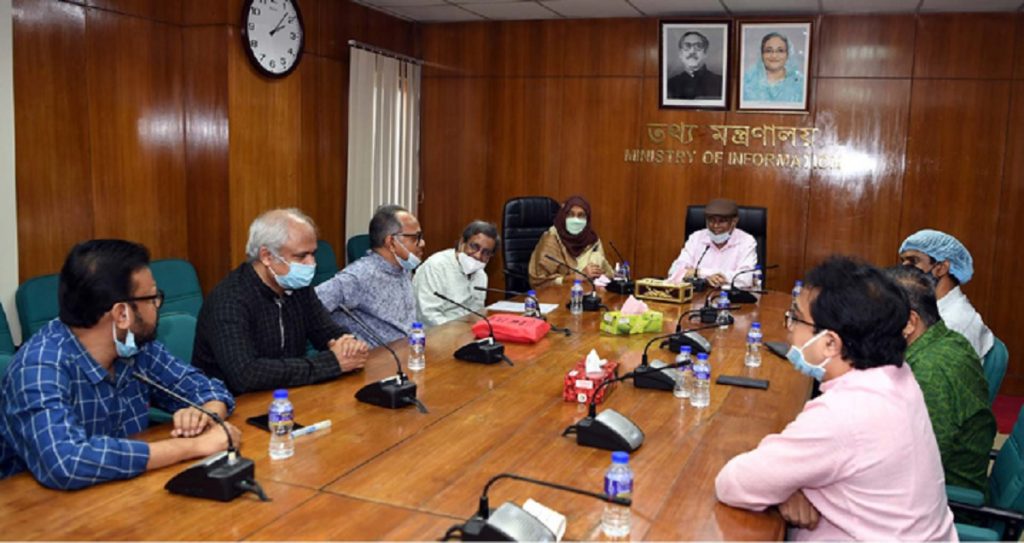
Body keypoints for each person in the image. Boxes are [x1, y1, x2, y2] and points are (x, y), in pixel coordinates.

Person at [715, 257, 956, 540]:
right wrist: (789, 487)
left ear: (830, 342)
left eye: (795, 317)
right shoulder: (898, 376)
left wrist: (782, 487)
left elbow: (733, 484)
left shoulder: (842, 415)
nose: (789, 328)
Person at [0, 240, 238, 489]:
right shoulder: (38, 369)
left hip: (123, 491)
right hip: (42, 506)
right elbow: (66, 461)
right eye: (152, 298)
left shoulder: (134, 347)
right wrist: (193, 447)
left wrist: (206, 414)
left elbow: (208, 388)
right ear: (122, 314)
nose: (157, 306)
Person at [193, 208, 368, 395]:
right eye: (301, 256)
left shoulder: (299, 288)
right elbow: (246, 374)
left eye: (313, 254)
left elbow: (326, 331)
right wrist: (331, 363)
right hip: (232, 403)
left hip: (289, 394)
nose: (311, 264)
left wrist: (349, 345)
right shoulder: (228, 300)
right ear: (267, 256)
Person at [886, 266, 995, 492]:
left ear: (910, 323)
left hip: (946, 498)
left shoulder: (930, 372)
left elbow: (918, 467)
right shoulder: (947, 338)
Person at [317, 205, 423, 347]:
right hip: (379, 357)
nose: (422, 243)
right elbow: (311, 306)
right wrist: (338, 339)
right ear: (391, 242)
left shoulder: (403, 268)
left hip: (409, 350)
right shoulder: (359, 276)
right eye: (415, 238)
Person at [899, 229, 995, 360]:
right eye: (903, 261)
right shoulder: (929, 309)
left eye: (913, 261)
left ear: (941, 268)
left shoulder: (955, 322)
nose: (904, 267)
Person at [413, 221, 498, 327]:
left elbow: (476, 314)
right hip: (435, 332)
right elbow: (427, 315)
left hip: (466, 331)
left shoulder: (481, 275)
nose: (478, 256)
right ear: (462, 242)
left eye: (486, 252)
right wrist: (457, 331)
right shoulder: (436, 267)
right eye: (474, 246)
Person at [667, 198, 757, 288]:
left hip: (731, 295)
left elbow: (746, 278)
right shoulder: (696, 238)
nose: (715, 225)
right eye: (711, 220)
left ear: (734, 221)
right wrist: (704, 275)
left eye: (722, 221)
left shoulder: (747, 241)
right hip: (697, 295)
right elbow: (673, 272)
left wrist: (699, 273)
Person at [528, 196, 614, 289]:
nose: (575, 220)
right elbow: (540, 281)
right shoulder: (551, 239)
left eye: (581, 215)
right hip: (556, 293)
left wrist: (598, 274)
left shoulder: (592, 241)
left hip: (587, 292)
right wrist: (577, 276)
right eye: (571, 214)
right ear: (564, 216)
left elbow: (604, 274)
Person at [742, 32, 804, 104]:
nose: (774, 55)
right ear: (761, 54)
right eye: (768, 51)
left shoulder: (801, 83)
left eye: (780, 51)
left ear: (787, 55)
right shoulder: (747, 81)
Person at [667, 31, 723, 100]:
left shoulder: (720, 82)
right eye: (687, 46)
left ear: (705, 53)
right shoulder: (669, 84)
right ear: (680, 54)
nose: (692, 51)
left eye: (698, 46)